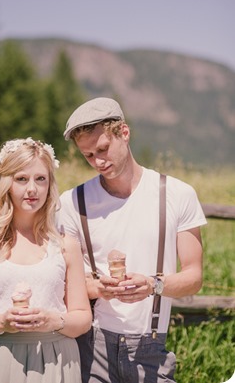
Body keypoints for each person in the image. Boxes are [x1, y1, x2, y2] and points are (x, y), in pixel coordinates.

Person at [56, 98, 207, 383]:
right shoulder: (73, 202)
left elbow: (194, 276)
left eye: (103, 149)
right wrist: (98, 287)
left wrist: (153, 284)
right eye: (88, 155)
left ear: (124, 133)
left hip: (151, 345)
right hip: (92, 345)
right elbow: (67, 283)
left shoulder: (177, 194)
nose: (98, 161)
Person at [0, 137, 92, 383]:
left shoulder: (66, 246)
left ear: (49, 185)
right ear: (6, 183)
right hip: (0, 359)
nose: (32, 189)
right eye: (21, 179)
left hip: (57, 359)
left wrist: (53, 321)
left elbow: (82, 318)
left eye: (40, 179)